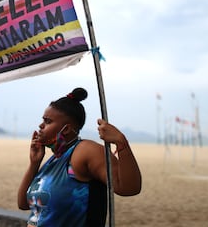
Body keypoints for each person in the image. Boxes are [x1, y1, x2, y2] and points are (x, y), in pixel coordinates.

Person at [18, 87, 142, 227]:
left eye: (47, 121)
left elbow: (129, 187)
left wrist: (121, 143)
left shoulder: (84, 151)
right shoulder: (53, 160)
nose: (40, 126)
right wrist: (34, 163)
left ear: (66, 129)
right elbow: (23, 204)